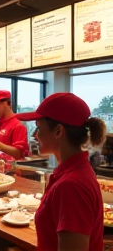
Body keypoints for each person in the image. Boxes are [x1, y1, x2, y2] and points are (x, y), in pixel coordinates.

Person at [15, 92, 106, 251]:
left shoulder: (71, 186)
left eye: (38, 127)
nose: (34, 135)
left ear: (58, 132)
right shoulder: (70, 173)